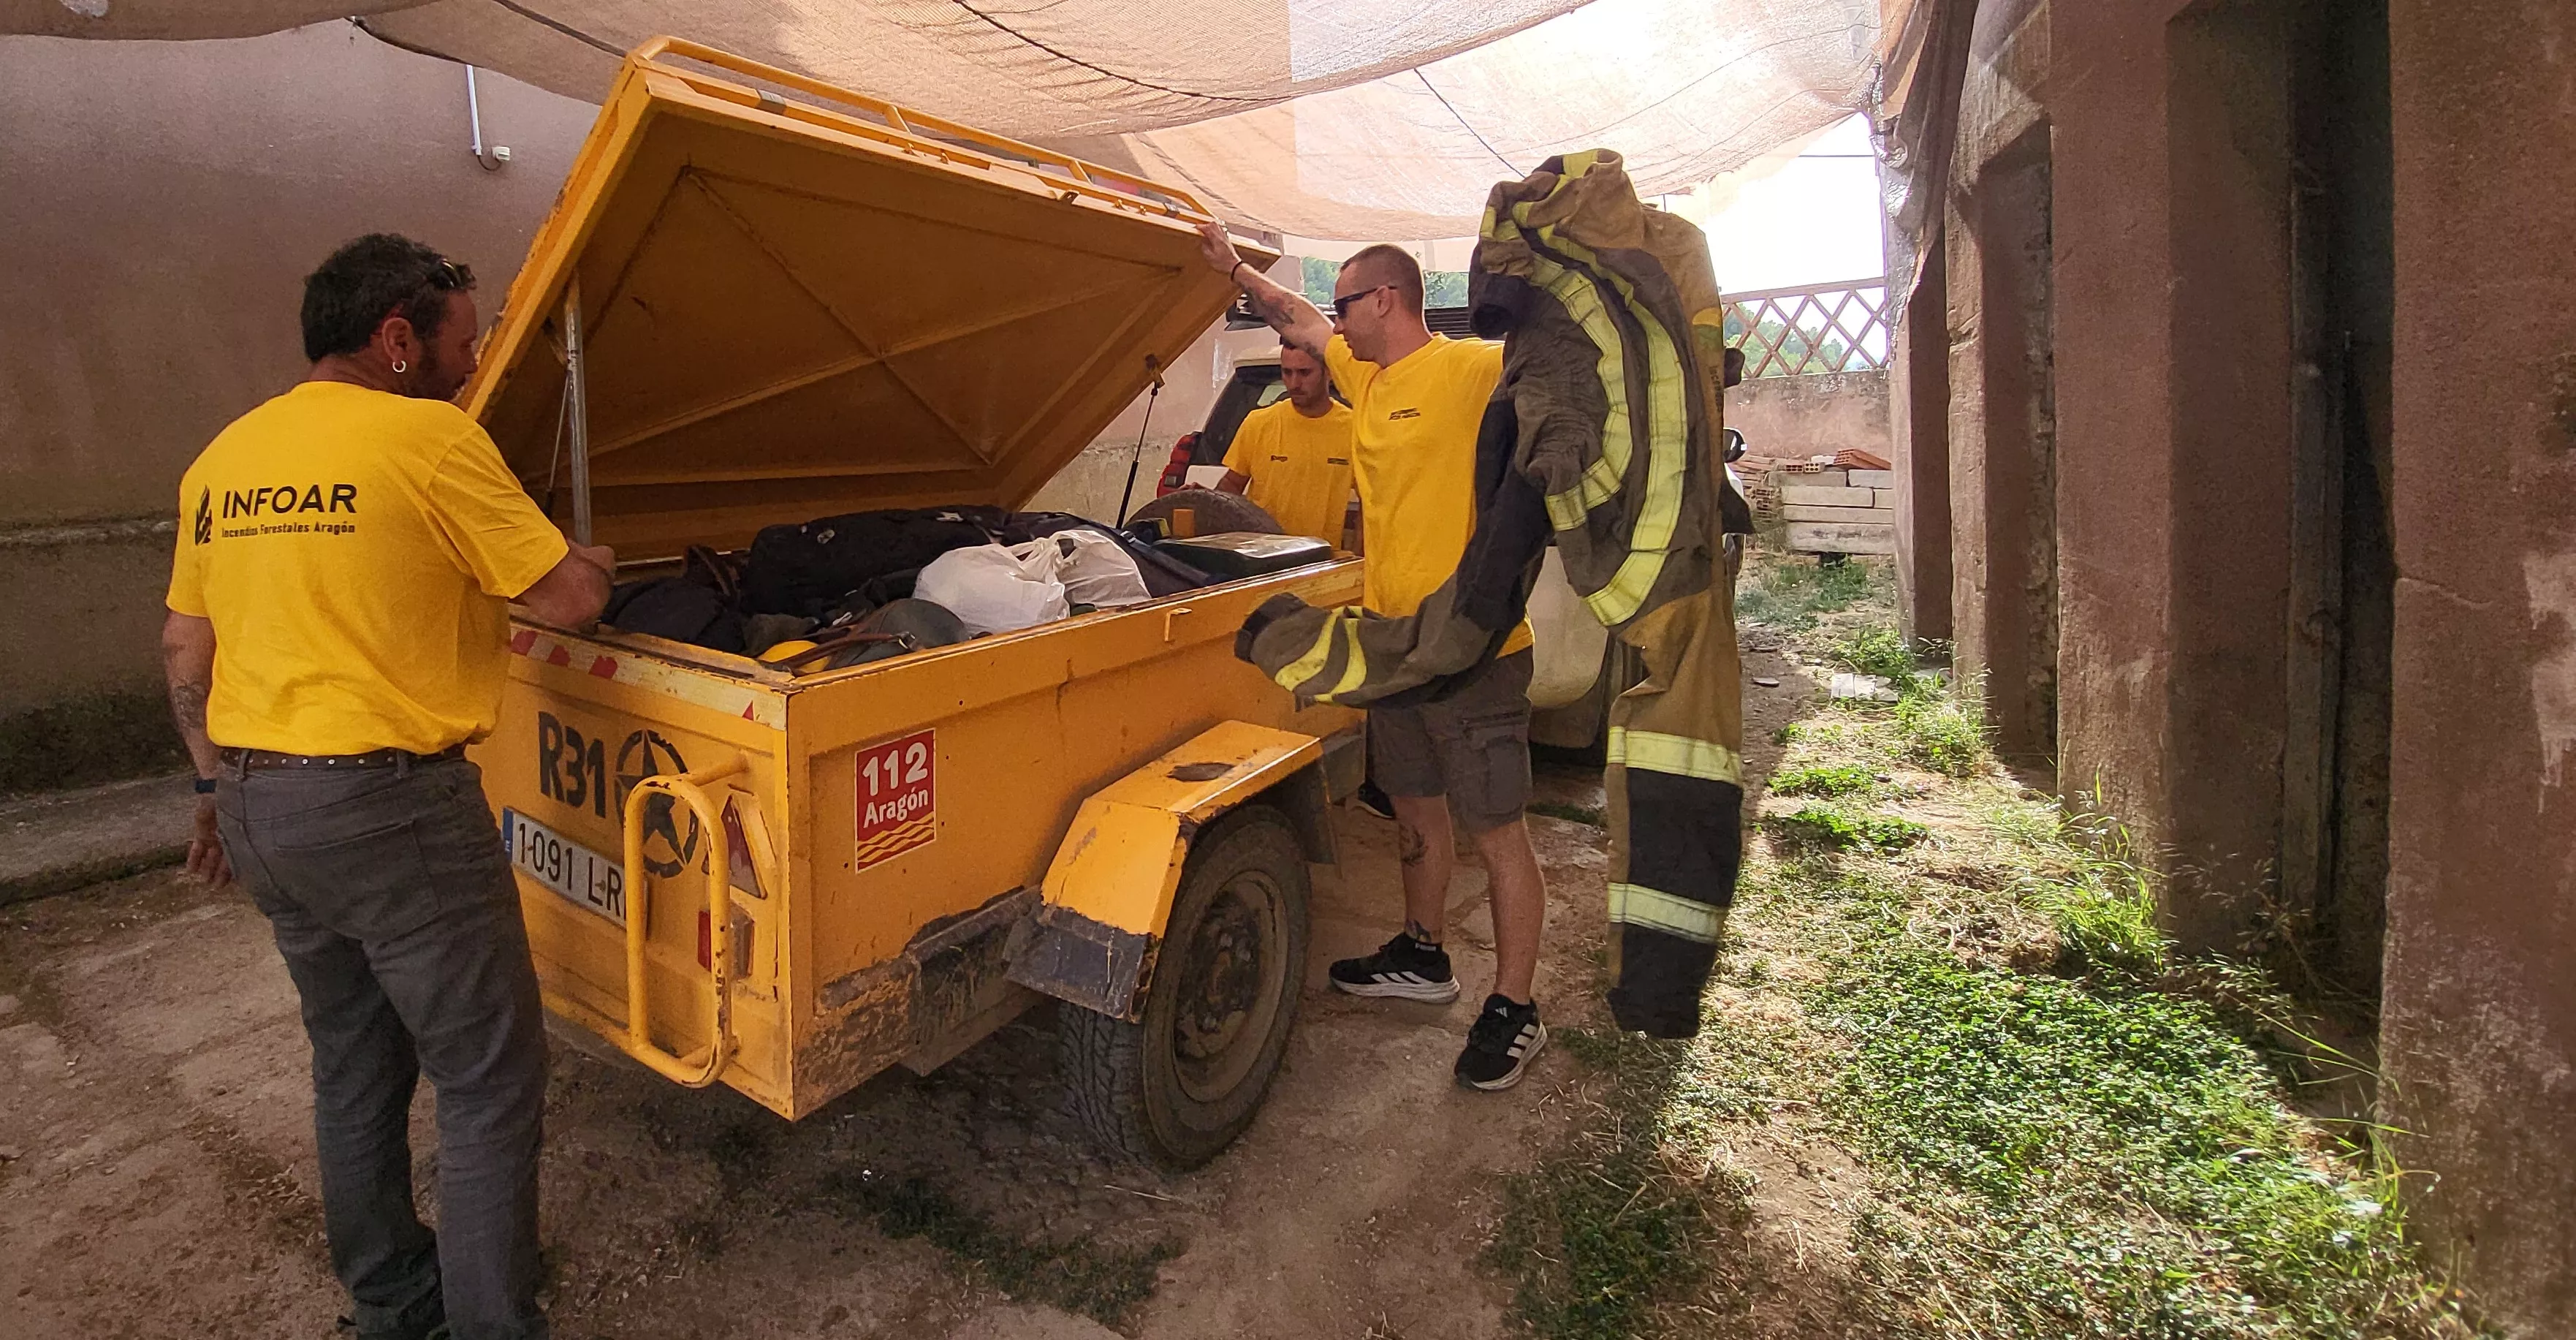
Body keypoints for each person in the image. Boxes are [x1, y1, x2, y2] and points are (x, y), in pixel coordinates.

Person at [163, 234, 613, 1340]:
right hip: (392, 811)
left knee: (354, 1063)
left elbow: (184, 652)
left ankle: (392, 1302)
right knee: (486, 1081)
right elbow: (562, 601)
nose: (476, 363)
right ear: (397, 338)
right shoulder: (427, 438)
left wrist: (215, 790)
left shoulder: (223, 457)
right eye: (466, 340)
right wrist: (592, 562)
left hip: (263, 803)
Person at [1198, 222, 1549, 1091]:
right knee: (1415, 813)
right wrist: (1232, 266)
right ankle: (1425, 955)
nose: (1334, 323)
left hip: (1476, 646)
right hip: (1390, 648)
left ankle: (1516, 1007)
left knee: (1498, 832)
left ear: (1385, 299)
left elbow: (1571, 379)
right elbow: (1293, 318)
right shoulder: (1367, 374)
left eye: (1346, 303)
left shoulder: (1473, 371)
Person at [1215, 344, 1356, 547]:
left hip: (1318, 562)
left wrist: (1363, 563)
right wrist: (1206, 502)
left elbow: (1371, 504)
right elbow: (1232, 485)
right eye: (1287, 372)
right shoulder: (1258, 423)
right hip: (1261, 558)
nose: (1294, 383)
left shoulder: (1353, 428)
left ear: (1330, 373)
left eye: (1304, 373)